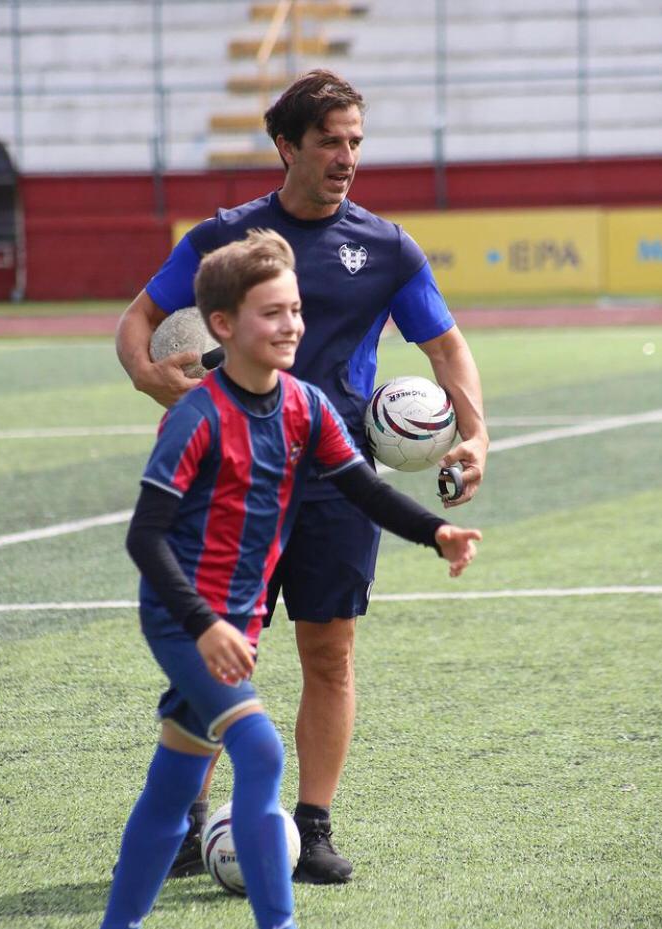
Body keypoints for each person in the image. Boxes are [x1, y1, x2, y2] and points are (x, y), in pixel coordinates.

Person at [115, 69, 489, 884]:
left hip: (335, 478)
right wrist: (148, 374)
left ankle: (312, 827)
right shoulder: (226, 239)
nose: (346, 156)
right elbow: (139, 317)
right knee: (218, 652)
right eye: (329, 141)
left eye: (356, 141)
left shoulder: (387, 247)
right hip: (232, 481)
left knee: (330, 652)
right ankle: (188, 825)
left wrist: (477, 433)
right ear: (287, 146)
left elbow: (446, 346)